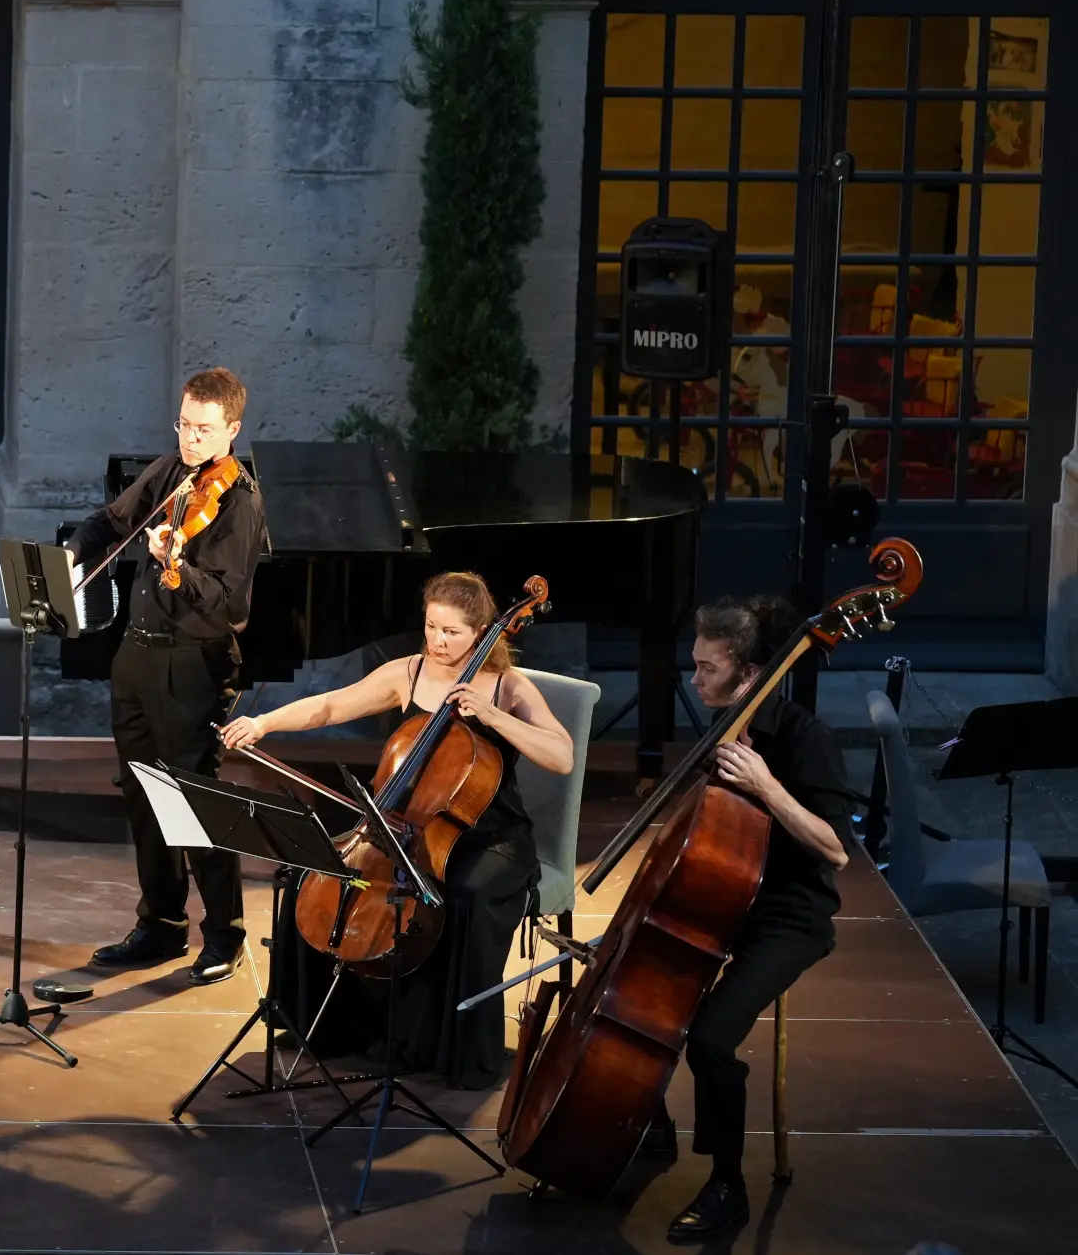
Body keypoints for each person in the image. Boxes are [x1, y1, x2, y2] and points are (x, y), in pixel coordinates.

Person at [223, 570, 574, 1088]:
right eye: (431, 626)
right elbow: (331, 704)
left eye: (451, 632)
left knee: (462, 895)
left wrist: (495, 717)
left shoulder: (508, 686)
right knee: (313, 874)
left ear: (481, 631)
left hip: (488, 836)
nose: (438, 640)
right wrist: (264, 723)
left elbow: (562, 756)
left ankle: (448, 1048)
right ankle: (332, 1026)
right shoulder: (407, 672)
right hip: (403, 825)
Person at [650, 594, 856, 1245]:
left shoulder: (804, 738)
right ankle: (646, 1128)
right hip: (720, 899)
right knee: (645, 999)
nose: (694, 679)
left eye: (707, 668)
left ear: (749, 673)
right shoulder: (724, 729)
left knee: (711, 1037)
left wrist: (768, 785)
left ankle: (726, 1185)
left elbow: (835, 849)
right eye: (695, 663)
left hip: (789, 914)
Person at [64, 366, 266, 983]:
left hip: (193, 664)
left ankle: (225, 934)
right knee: (143, 793)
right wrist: (75, 551)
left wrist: (178, 567)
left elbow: (229, 605)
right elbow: (111, 519)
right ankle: (160, 924)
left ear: (232, 429)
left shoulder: (240, 502)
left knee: (193, 798)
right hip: (138, 655)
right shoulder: (171, 471)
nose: (190, 439)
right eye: (183, 425)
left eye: (203, 429)